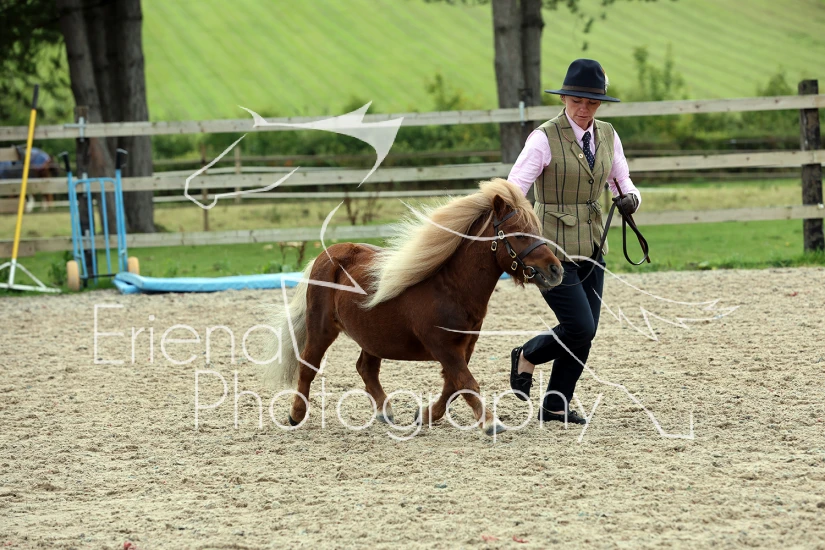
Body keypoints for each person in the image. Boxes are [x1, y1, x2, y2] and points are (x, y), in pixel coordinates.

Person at [507, 58, 642, 424]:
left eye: (592, 102)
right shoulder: (543, 138)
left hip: (593, 244)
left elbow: (622, 181)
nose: (584, 109)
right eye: (577, 101)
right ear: (563, 98)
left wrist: (632, 199)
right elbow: (514, 189)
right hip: (549, 250)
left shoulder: (608, 135)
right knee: (580, 326)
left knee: (585, 332)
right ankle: (528, 354)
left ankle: (555, 406)